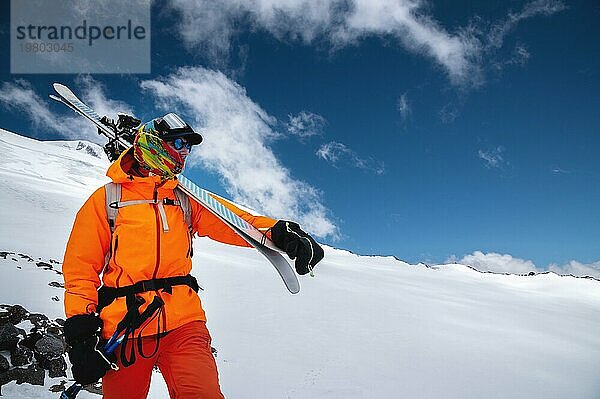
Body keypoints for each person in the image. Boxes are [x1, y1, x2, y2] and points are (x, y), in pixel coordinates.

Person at [62, 113, 324, 398]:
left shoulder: (185, 198)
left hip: (184, 324)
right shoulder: (106, 200)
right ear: (154, 144)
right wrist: (80, 334)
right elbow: (80, 270)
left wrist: (278, 232)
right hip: (126, 327)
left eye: (188, 146)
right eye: (178, 143)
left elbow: (233, 221)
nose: (185, 152)